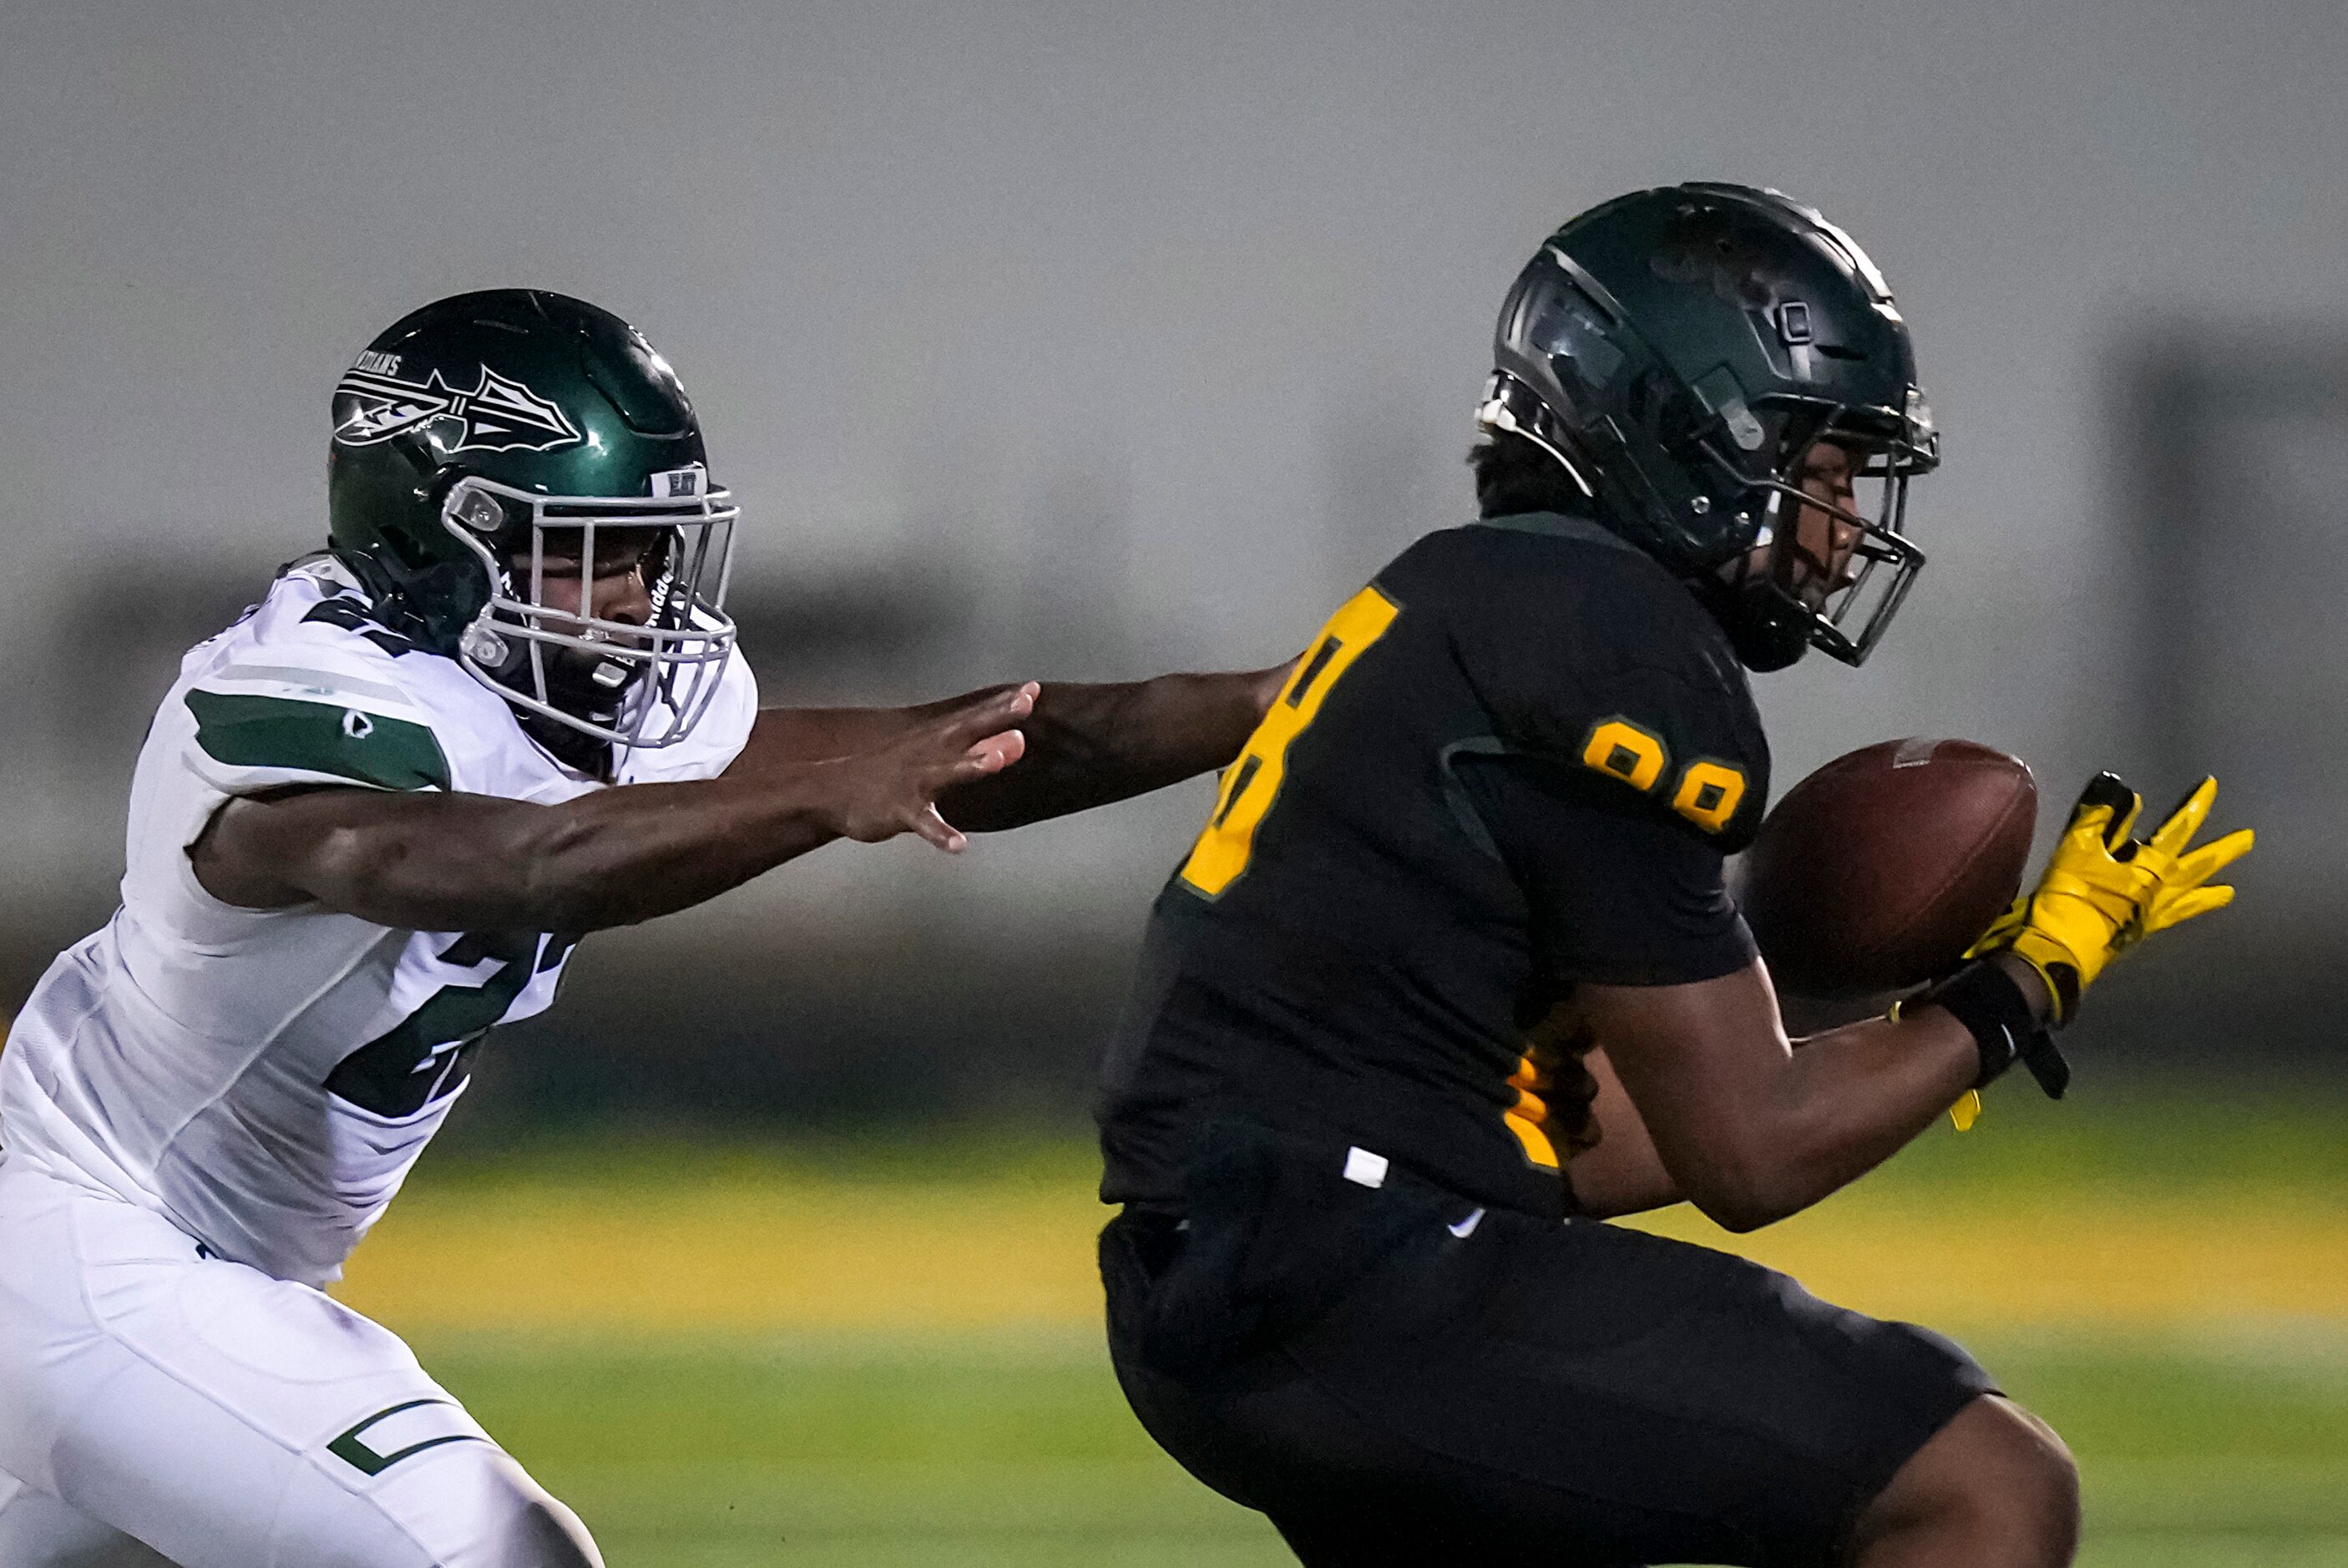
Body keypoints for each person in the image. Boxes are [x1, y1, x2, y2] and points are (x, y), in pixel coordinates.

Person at [0, 289, 1288, 1568]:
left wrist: (1289, 699)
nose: (633, 595)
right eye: (589, 549)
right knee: (488, 1547)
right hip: (88, 1240)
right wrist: (818, 802)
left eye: (647, 549)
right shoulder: (296, 699)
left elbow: (964, 746)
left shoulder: (551, 687)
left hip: (204, 1269)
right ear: (442, 534)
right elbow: (511, 863)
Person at [1095, 184, 2252, 1567]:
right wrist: (2020, 988)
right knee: (1984, 1483)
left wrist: (1901, 1036)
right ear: (1683, 433)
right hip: (1353, 1270)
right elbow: (1749, 1153)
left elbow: (1591, 1140)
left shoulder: (1478, 593)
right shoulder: (1612, 643)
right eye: (1819, 469)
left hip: (1253, 1264)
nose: (1835, 532)